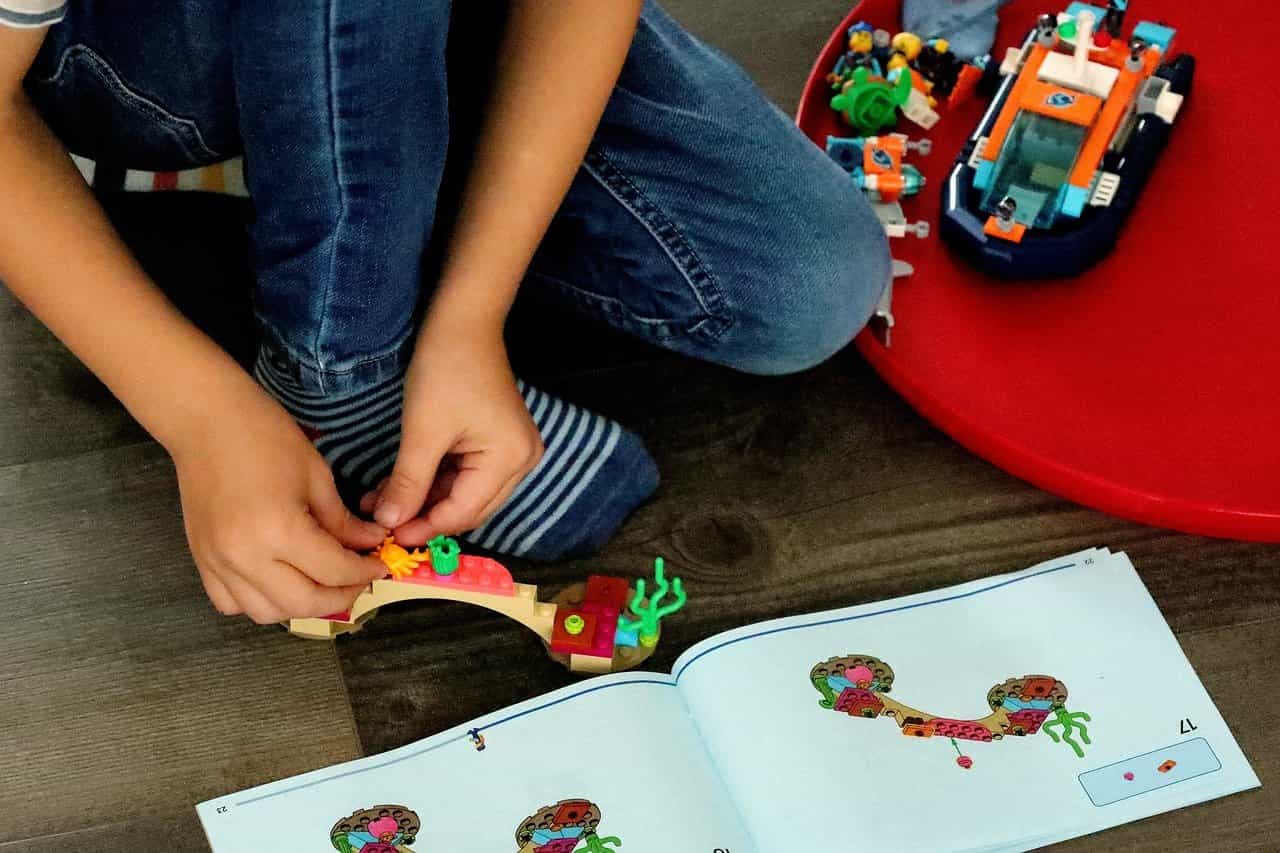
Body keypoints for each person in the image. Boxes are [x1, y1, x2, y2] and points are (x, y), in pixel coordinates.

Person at [0, 1, 889, 625]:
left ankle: (375, 176)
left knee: (807, 283)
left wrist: (472, 314)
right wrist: (202, 417)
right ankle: (338, 377)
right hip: (134, 62)